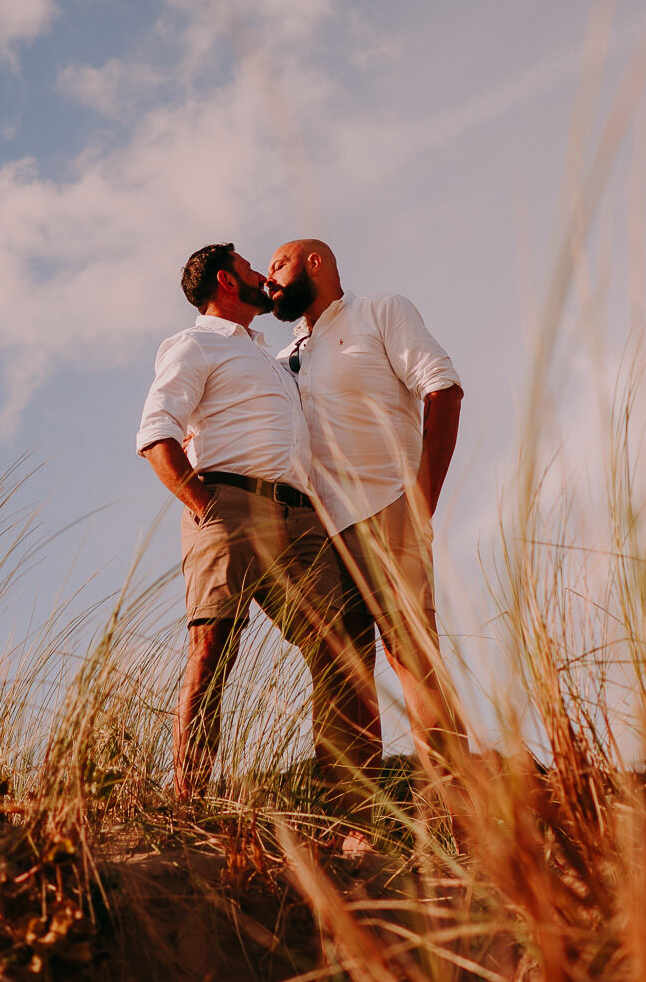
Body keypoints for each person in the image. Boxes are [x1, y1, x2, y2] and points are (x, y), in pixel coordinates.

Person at [137, 242, 377, 803]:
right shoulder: (193, 343)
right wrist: (204, 505)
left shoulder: (271, 358)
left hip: (299, 518)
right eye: (252, 270)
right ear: (227, 280)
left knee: (339, 649)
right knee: (212, 646)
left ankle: (349, 809)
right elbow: (155, 433)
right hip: (227, 505)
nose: (264, 281)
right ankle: (188, 798)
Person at [266, 239, 470, 786]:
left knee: (410, 655)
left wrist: (422, 499)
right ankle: (357, 822)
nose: (270, 280)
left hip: (386, 507)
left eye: (278, 265)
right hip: (317, 532)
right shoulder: (281, 358)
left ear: (316, 263)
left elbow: (444, 389)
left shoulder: (380, 311)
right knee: (341, 673)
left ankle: (456, 806)